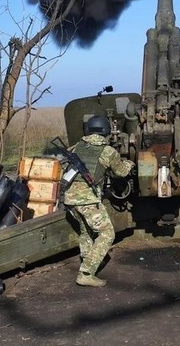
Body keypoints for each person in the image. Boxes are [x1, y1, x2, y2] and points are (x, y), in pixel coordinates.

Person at [62, 115, 134, 287]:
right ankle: (86, 272)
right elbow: (122, 172)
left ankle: (89, 261)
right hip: (87, 200)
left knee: (86, 232)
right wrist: (130, 163)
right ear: (106, 131)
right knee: (107, 233)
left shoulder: (77, 146)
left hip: (70, 199)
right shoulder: (108, 151)